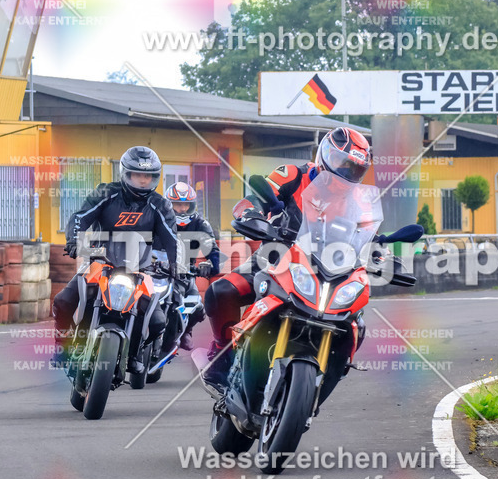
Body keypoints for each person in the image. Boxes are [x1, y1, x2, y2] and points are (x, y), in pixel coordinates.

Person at [201, 127, 373, 389]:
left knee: (355, 322)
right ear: (325, 155)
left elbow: (367, 233)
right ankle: (222, 355)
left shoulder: (358, 200)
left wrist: (380, 252)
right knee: (221, 291)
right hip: (279, 252)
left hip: (331, 268)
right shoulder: (293, 174)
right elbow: (254, 199)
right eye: (343, 163)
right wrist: (252, 214)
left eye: (354, 168)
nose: (347, 173)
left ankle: (331, 371)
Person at [52, 146, 181, 374]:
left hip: (140, 270)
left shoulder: (160, 204)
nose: (143, 181)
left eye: (148, 176)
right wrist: (73, 241)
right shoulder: (106, 193)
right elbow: (79, 218)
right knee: (63, 301)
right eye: (137, 175)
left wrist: (175, 263)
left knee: (158, 322)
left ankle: (133, 354)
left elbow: (172, 237)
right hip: (99, 263)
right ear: (125, 173)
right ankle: (64, 348)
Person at [164, 181, 220, 350]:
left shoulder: (201, 224)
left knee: (197, 308)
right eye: (177, 204)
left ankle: (187, 330)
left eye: (185, 204)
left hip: (184, 273)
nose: (182, 208)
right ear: (169, 204)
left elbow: (214, 251)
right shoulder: (158, 219)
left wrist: (210, 264)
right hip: (156, 271)